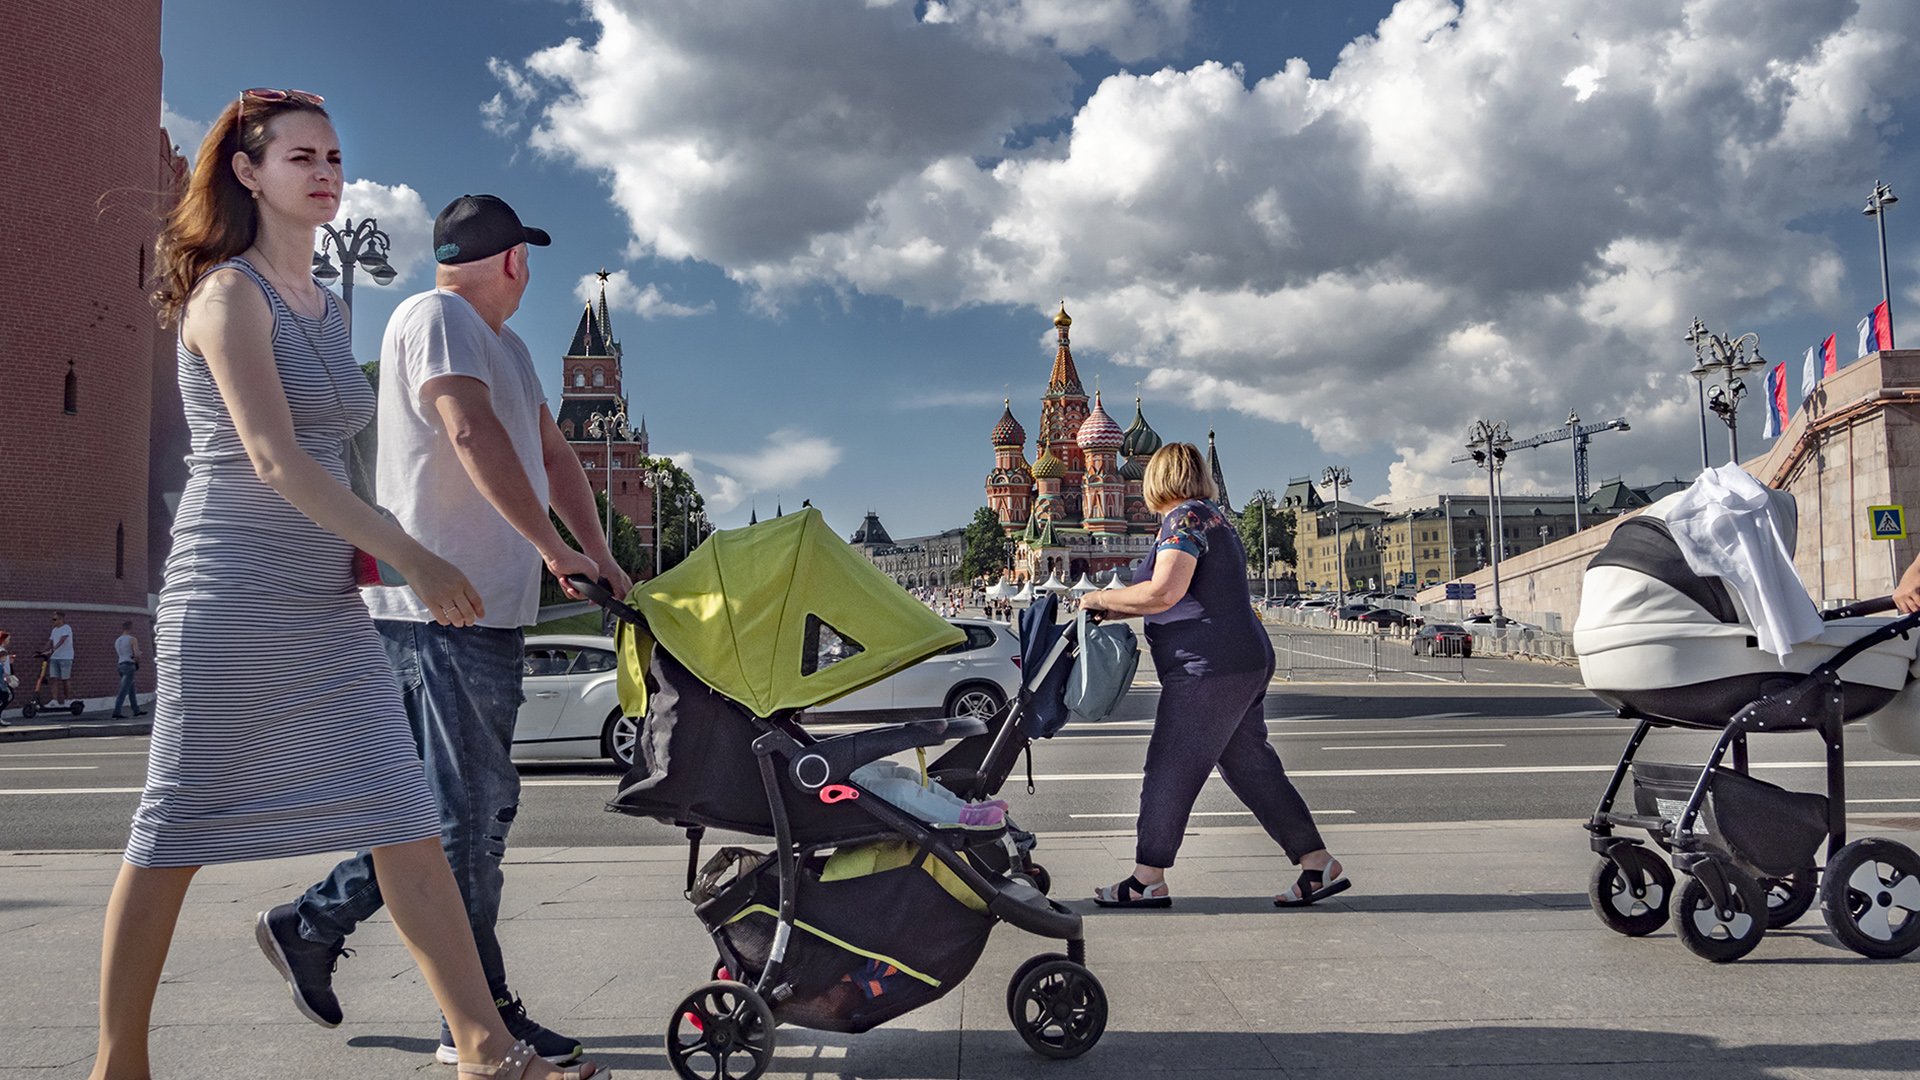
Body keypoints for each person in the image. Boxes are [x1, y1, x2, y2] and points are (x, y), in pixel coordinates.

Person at [93, 88, 603, 1080]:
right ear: (247, 172)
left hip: (326, 603)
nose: (325, 172)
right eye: (300, 158)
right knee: (173, 830)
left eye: (332, 157)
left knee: (405, 817)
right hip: (231, 593)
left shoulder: (327, 308)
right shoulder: (228, 294)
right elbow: (276, 460)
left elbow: (348, 461)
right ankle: (121, 1064)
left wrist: (379, 556)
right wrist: (412, 553)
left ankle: (485, 1052)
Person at [260, 193, 633, 1068]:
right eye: (526, 260)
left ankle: (310, 924)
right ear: (510, 261)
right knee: (468, 819)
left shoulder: (508, 347)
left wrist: (600, 555)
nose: (528, 274)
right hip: (440, 612)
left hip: (485, 612)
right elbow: (467, 430)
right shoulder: (439, 317)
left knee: (452, 811)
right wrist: (552, 548)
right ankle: (477, 1019)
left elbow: (554, 455)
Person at [1080, 442, 1348, 910]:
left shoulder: (1183, 520)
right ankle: (1316, 862)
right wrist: (1118, 609)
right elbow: (1182, 595)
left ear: (1156, 479)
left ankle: (1147, 879)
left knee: (1170, 766)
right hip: (1241, 659)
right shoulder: (1212, 517)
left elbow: (1164, 593)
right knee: (1250, 765)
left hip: (1210, 669)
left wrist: (1099, 600)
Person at [111, 621, 143, 719]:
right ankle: (117, 711)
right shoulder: (132, 639)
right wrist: (138, 660)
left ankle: (136, 710)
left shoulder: (118, 640)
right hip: (129, 664)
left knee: (131, 689)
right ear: (131, 628)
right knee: (123, 690)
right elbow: (136, 654)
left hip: (120, 664)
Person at [44, 611, 74, 707]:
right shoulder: (54, 630)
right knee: (53, 678)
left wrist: (53, 649)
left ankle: (68, 700)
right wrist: (42, 651)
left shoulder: (66, 628)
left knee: (65, 679)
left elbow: (62, 640)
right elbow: (50, 641)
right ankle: (54, 700)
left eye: (55, 619)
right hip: (54, 657)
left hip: (65, 657)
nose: (53, 621)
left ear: (61, 619)